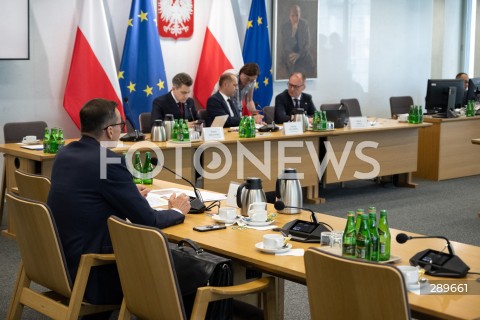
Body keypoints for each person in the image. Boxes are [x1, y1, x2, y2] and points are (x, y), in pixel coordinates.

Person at [47, 98, 190, 308]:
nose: (123, 130)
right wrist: (177, 210)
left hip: (60, 263)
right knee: (181, 264)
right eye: (121, 125)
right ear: (110, 130)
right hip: (94, 272)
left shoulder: (64, 153)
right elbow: (149, 220)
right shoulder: (108, 161)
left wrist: (129, 195)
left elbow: (91, 196)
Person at [280, 5, 314, 78]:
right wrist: (293, 33)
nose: (295, 18)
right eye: (293, 16)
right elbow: (286, 46)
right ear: (289, 16)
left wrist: (299, 54)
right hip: (290, 55)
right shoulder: (285, 27)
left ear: (300, 14)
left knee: (310, 64)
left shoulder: (304, 24)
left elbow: (307, 44)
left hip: (303, 54)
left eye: (297, 15)